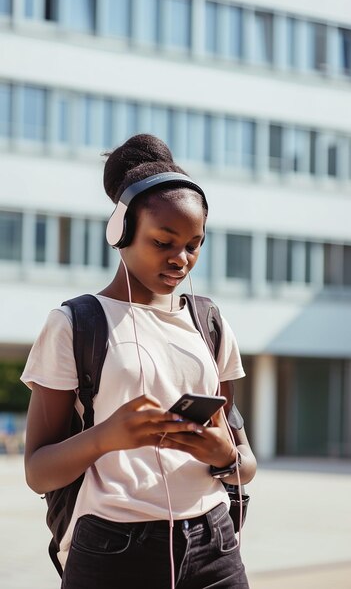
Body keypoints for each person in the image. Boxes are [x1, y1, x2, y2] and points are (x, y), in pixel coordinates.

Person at [21, 133, 257, 589]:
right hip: (112, 547)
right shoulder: (75, 323)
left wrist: (225, 455)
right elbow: (37, 472)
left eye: (194, 244)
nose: (181, 260)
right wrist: (107, 437)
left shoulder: (211, 322)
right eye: (163, 242)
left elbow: (244, 461)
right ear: (121, 232)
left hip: (216, 543)